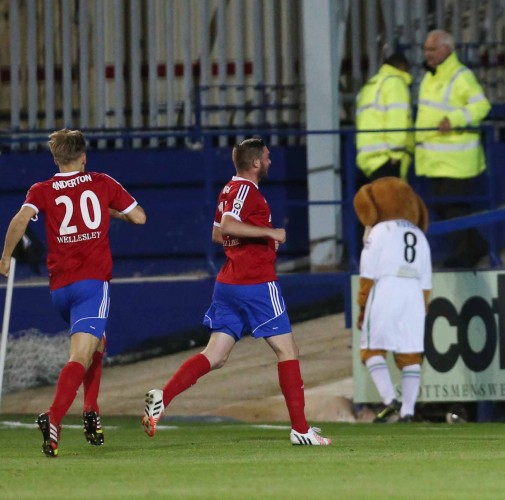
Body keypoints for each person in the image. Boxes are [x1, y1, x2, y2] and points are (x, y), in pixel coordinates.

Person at [141, 137, 331, 446]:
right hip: (255, 283)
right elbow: (227, 227)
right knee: (288, 351)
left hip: (229, 283)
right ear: (255, 162)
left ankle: (164, 397)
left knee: (215, 355)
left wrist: (250, 236)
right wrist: (269, 232)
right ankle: (300, 429)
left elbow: (217, 233)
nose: (269, 162)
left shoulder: (229, 190)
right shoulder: (244, 190)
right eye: (266, 157)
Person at [0, 129, 146, 458]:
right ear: (84, 156)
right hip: (92, 284)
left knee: (98, 342)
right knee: (80, 355)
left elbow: (19, 219)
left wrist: (5, 257)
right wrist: (110, 210)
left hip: (60, 289)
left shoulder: (42, 189)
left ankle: (90, 409)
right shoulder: (101, 182)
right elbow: (139, 217)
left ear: (55, 159)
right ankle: (53, 418)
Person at [353, 177, 432, 423]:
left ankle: (390, 400)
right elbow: (427, 282)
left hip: (386, 287)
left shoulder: (379, 230)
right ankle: (408, 411)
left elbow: (367, 274)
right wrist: (422, 307)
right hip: (414, 293)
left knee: (371, 350)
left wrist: (363, 307)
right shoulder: (419, 234)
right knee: (410, 355)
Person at [414, 29, 491, 268]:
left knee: (453, 206)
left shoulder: (461, 76)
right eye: (426, 49)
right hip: (434, 157)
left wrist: (455, 119)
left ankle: (464, 255)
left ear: (447, 49)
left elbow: (481, 106)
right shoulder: (430, 77)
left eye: (432, 49)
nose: (427, 54)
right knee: (441, 206)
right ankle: (475, 246)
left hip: (457, 158)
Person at [355, 52, 414, 181]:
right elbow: (396, 119)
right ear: (403, 66)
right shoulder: (395, 83)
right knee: (392, 200)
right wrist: (396, 154)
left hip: (366, 160)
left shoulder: (370, 85)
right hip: (387, 159)